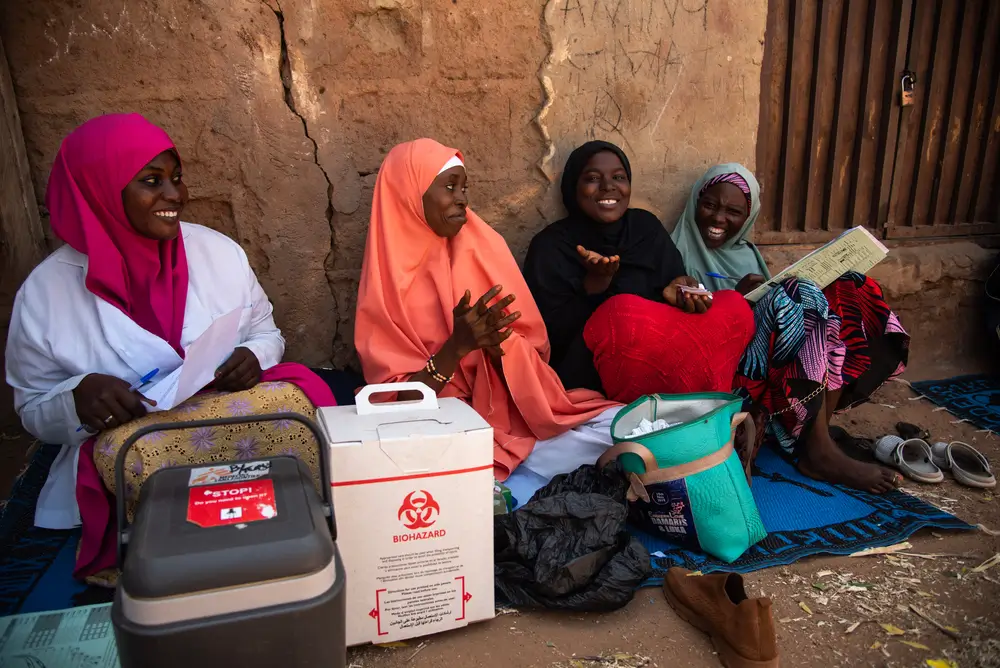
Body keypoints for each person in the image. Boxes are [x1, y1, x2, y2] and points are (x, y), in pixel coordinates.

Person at [4, 113, 337, 579]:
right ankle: (176, 553)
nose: (175, 195)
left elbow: (267, 333)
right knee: (137, 455)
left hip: (227, 413)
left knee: (301, 412)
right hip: (142, 443)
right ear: (98, 190)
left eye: (176, 178)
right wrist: (78, 398)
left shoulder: (218, 253)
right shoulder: (45, 295)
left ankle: (285, 527)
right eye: (151, 181)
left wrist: (254, 357)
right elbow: (33, 407)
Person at [354, 139, 619, 482]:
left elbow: (536, 351)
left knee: (624, 429)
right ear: (408, 194)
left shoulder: (480, 246)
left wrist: (501, 346)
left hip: (513, 411)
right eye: (449, 187)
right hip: (440, 430)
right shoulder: (385, 283)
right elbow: (393, 409)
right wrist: (456, 349)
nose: (462, 198)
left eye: (464, 187)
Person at [672, 163, 910, 493]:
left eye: (733, 211)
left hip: (765, 373)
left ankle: (815, 434)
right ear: (696, 202)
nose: (718, 219)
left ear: (749, 216)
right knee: (797, 296)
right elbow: (678, 337)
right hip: (721, 378)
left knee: (850, 285)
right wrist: (732, 302)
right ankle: (818, 451)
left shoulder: (747, 254)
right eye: (710, 205)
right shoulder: (673, 251)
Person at [523, 141, 755, 402]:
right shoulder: (551, 247)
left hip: (665, 369)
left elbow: (675, 297)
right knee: (621, 314)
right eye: (592, 178)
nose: (608, 186)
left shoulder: (646, 229)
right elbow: (548, 339)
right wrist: (595, 285)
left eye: (619, 177)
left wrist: (680, 292)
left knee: (732, 305)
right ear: (572, 187)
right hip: (589, 382)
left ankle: (700, 408)